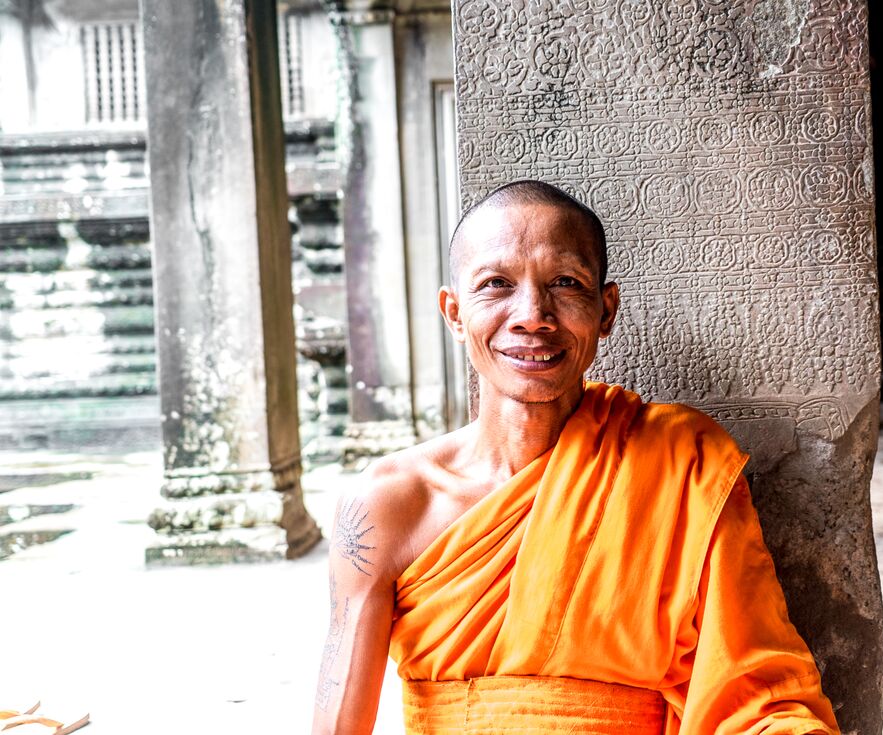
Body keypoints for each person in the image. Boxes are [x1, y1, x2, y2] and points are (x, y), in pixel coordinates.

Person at [311, 180, 840, 735]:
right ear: (454, 312)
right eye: (496, 285)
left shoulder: (681, 463)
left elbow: (754, 695)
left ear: (605, 310)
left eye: (565, 283)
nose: (533, 315)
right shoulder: (388, 505)